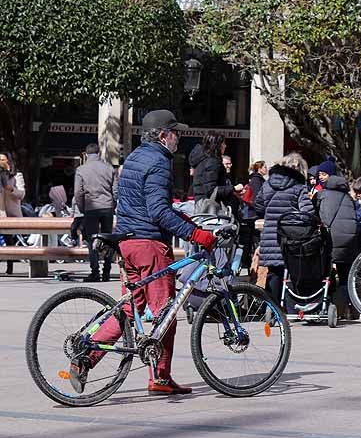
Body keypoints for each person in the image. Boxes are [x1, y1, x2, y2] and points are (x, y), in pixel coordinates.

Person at [78, 110, 217, 396]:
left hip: (127, 243)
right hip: (150, 246)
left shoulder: (134, 159)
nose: (179, 138)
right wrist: (195, 234)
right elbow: (158, 212)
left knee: (129, 310)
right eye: (175, 132)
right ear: (164, 136)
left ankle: (86, 358)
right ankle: (160, 378)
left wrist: (186, 222)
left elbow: (143, 205)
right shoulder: (160, 162)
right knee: (167, 314)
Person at [255, 153, 314, 305]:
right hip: (291, 236)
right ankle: (291, 305)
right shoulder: (298, 186)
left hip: (270, 235)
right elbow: (307, 213)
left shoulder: (267, 184)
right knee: (294, 271)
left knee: (274, 271)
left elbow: (258, 206)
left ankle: (273, 307)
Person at [313, 164, 361, 319]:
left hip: (332, 238)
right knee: (346, 274)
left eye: (323, 174)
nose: (320, 177)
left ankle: (330, 307)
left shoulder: (323, 194)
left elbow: (319, 216)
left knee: (325, 272)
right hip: (349, 238)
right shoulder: (346, 194)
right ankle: (350, 309)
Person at [73, 144, 117, 282]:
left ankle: (95, 272)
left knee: (92, 240)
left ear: (86, 154)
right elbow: (115, 191)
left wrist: (82, 208)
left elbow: (78, 192)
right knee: (108, 239)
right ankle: (107, 272)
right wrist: (112, 205)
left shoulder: (81, 170)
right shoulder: (109, 169)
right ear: (99, 153)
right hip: (107, 207)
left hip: (91, 208)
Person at [190, 132, 242, 214]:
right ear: (217, 145)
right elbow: (211, 190)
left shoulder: (204, 161)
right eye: (223, 143)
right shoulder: (212, 162)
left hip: (204, 205)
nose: (225, 146)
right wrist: (234, 188)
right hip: (212, 209)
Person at [0, 151, 25, 275]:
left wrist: (11, 189)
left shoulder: (17, 176)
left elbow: (22, 194)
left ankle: (10, 267)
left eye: (3, 160)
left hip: (11, 214)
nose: (1, 162)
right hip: (0, 213)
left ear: (9, 161)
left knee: (9, 241)